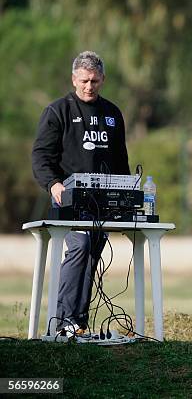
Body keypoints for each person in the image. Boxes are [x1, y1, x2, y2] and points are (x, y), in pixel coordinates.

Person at [31, 51, 130, 334]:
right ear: (74, 78)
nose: (89, 86)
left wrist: (125, 196)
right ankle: (63, 322)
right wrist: (54, 185)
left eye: (95, 81)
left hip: (102, 201)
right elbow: (40, 157)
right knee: (81, 246)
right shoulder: (57, 111)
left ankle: (78, 323)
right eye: (84, 80)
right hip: (68, 196)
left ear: (103, 80)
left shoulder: (112, 113)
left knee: (94, 249)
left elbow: (120, 160)